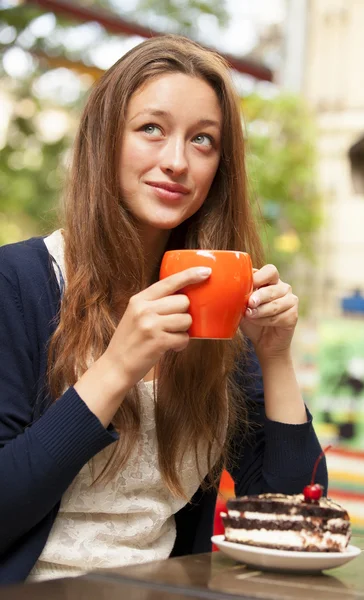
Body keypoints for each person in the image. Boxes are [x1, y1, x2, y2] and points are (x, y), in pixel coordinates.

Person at [0, 34, 327, 585]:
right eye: (151, 128)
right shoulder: (19, 282)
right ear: (105, 138)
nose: (176, 161)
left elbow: (291, 518)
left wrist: (275, 358)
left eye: (203, 140)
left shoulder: (216, 300)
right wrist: (117, 366)